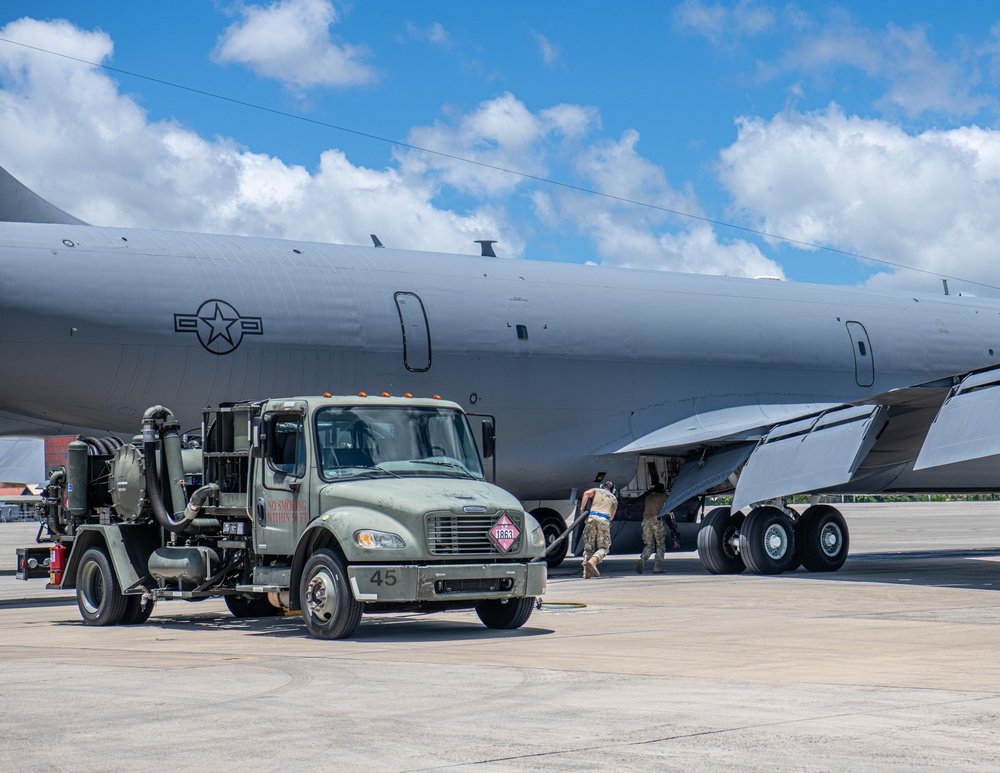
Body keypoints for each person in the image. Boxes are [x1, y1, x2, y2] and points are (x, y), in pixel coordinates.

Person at [635, 483, 681, 574]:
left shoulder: (648, 497)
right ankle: (657, 567)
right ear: (663, 489)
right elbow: (669, 510)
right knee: (660, 545)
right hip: (656, 520)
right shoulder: (663, 496)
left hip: (645, 521)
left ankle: (643, 558)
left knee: (649, 545)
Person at [579, 479, 618, 578]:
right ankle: (594, 560)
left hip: (591, 518)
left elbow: (586, 493)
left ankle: (586, 571)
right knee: (604, 547)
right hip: (604, 519)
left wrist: (582, 509)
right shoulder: (614, 498)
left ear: (602, 486)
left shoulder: (596, 490)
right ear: (613, 490)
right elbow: (612, 517)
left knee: (588, 546)